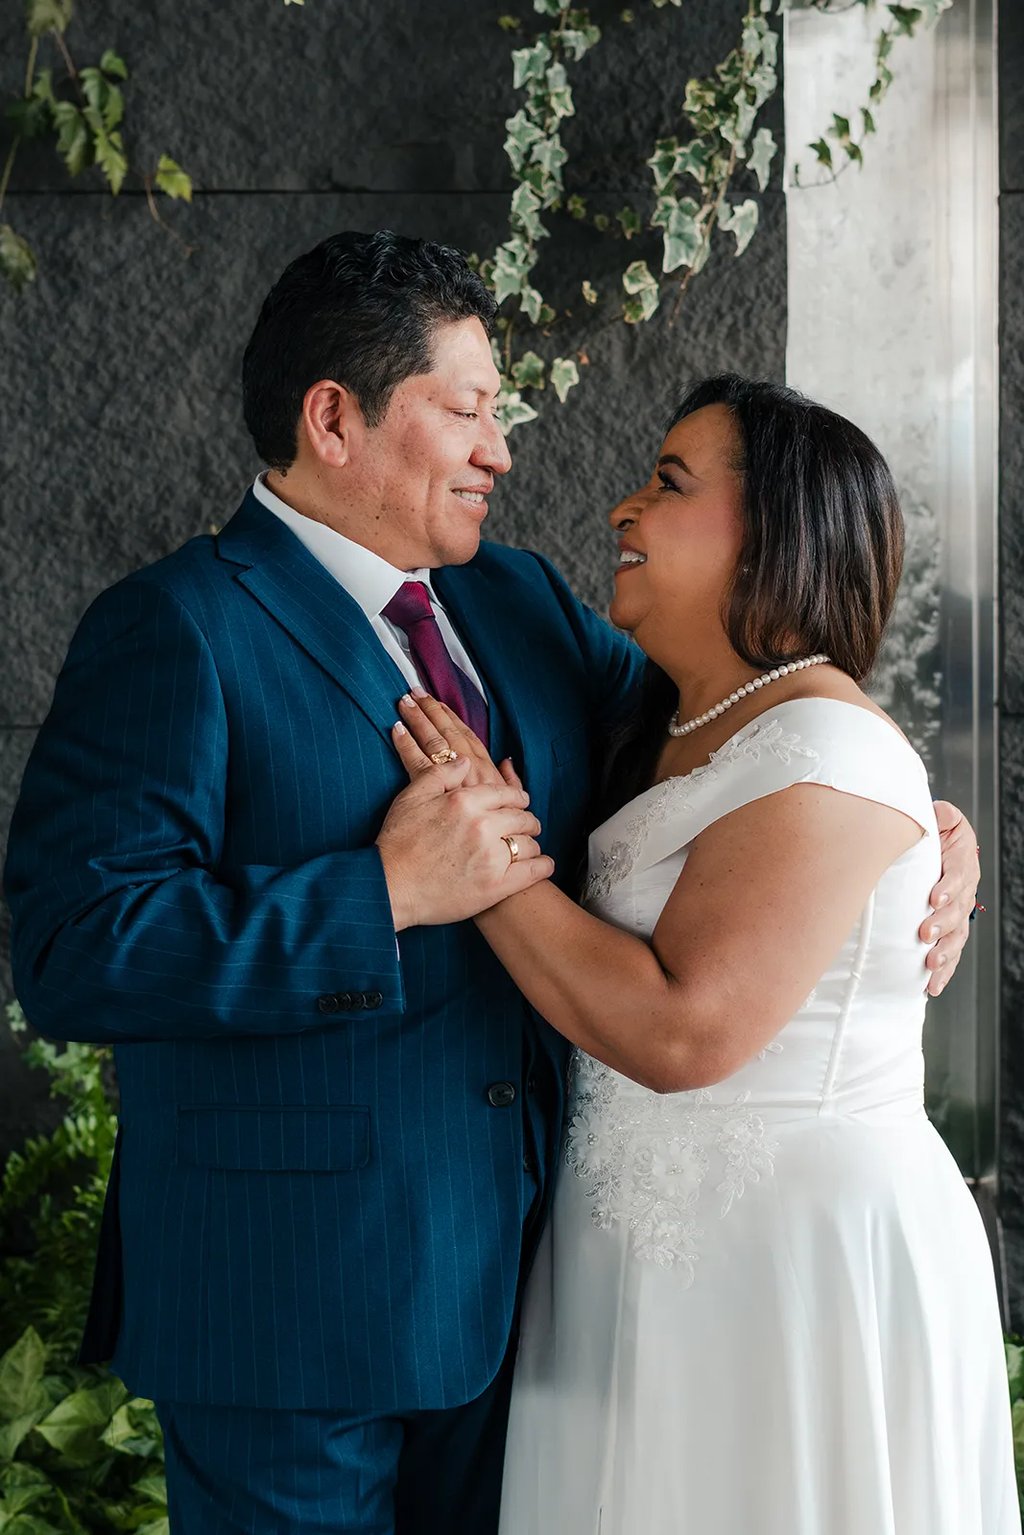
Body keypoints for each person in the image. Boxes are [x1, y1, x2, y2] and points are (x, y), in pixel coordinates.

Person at [3, 235, 978, 1535]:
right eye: (466, 410)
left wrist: (908, 825)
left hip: (532, 1303)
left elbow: (738, 755)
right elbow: (74, 944)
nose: (502, 451)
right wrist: (383, 891)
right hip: (287, 1319)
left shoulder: (518, 599)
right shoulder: (175, 627)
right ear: (335, 417)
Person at [390, 375, 1017, 1535]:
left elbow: (688, 1031)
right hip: (620, 1253)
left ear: (777, 528)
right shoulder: (672, 723)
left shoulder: (827, 738)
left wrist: (480, 857)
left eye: (669, 482)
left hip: (790, 1272)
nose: (622, 508)